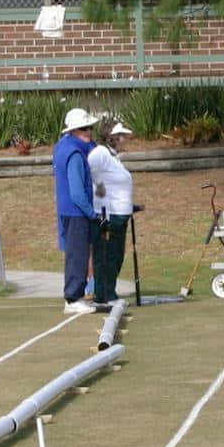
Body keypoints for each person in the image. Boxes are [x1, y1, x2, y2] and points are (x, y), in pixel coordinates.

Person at [53, 107, 100, 314]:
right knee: (78, 255)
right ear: (72, 131)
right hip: (76, 212)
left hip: (71, 211)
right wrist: (91, 213)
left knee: (78, 253)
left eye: (89, 128)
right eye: (83, 129)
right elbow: (77, 191)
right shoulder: (74, 152)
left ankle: (76, 296)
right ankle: (73, 298)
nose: (88, 132)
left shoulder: (65, 146)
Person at [87, 117, 135, 306]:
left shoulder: (114, 157)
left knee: (116, 256)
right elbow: (90, 169)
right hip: (107, 215)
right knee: (106, 255)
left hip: (119, 215)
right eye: (122, 136)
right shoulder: (100, 153)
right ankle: (104, 294)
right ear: (113, 137)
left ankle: (109, 292)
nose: (126, 139)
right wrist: (99, 186)